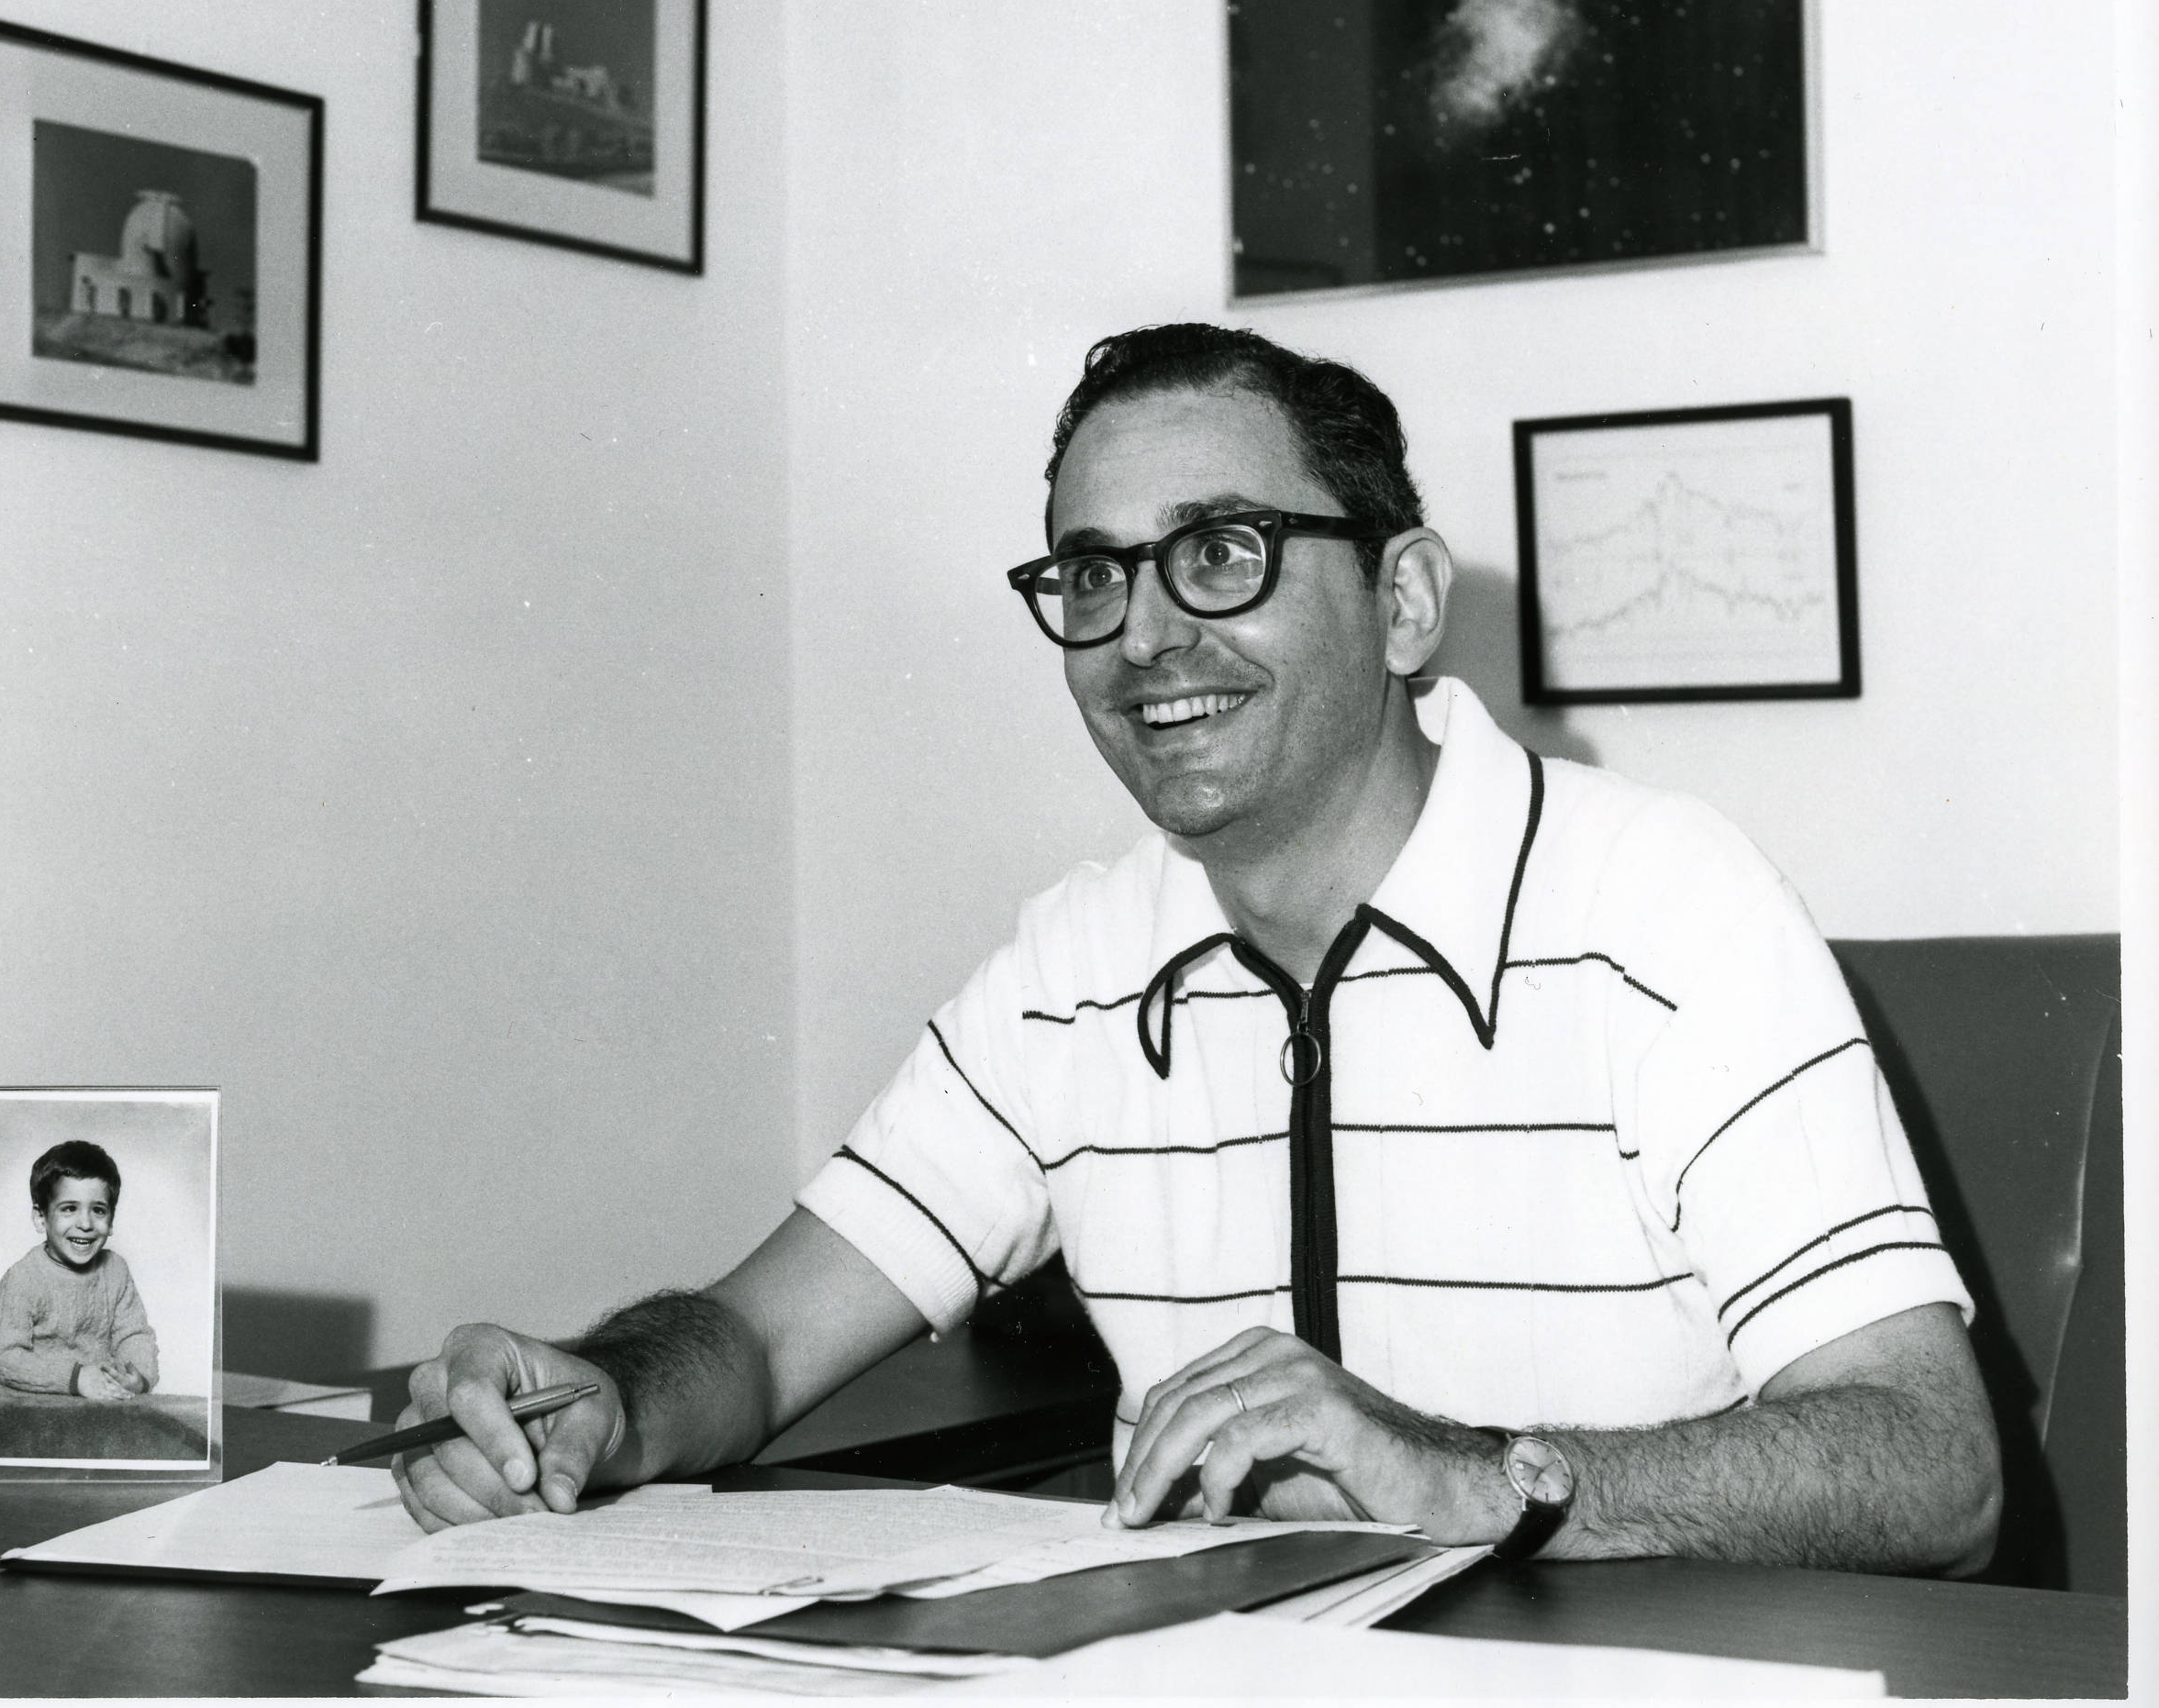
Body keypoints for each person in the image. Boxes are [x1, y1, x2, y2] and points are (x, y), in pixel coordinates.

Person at [393, 323, 2000, 1574]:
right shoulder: (1072, 966)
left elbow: (1933, 1469)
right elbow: (751, 1340)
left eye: (1221, 549)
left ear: (1402, 602)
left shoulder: (1661, 903)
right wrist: (598, 1394)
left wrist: (1456, 1474)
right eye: (1092, 574)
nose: (1145, 636)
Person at [0, 1139, 161, 1402]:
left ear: (111, 1220)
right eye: (69, 1209)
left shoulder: (116, 1270)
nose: (86, 1224)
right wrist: (76, 1378)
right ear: (41, 1218)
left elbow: (134, 1334)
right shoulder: (22, 1279)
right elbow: (5, 1358)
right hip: (38, 1406)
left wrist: (137, 1375)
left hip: (103, 1403)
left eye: (98, 1210)